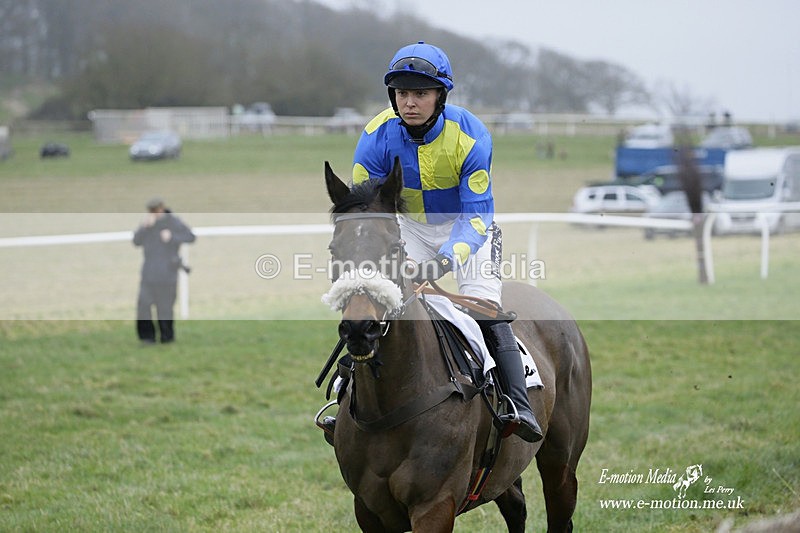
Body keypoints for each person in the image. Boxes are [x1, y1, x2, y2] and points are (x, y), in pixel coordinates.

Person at [321, 42, 542, 443]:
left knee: (484, 307)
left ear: (441, 96)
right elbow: (368, 212)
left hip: (467, 227)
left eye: (420, 93)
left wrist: (442, 261)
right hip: (408, 229)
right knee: (374, 297)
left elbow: (477, 217)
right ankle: (347, 398)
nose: (409, 102)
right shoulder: (374, 136)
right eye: (402, 93)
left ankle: (517, 402)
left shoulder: (471, 136)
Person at [133, 197, 195, 344]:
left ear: (162, 208)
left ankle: (167, 338)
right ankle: (147, 338)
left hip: (167, 274)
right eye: (151, 211)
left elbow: (190, 236)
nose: (154, 213)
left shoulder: (173, 222)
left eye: (156, 210)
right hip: (149, 274)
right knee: (144, 305)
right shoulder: (148, 224)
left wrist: (172, 237)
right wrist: (144, 227)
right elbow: (136, 241)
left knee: (165, 308)